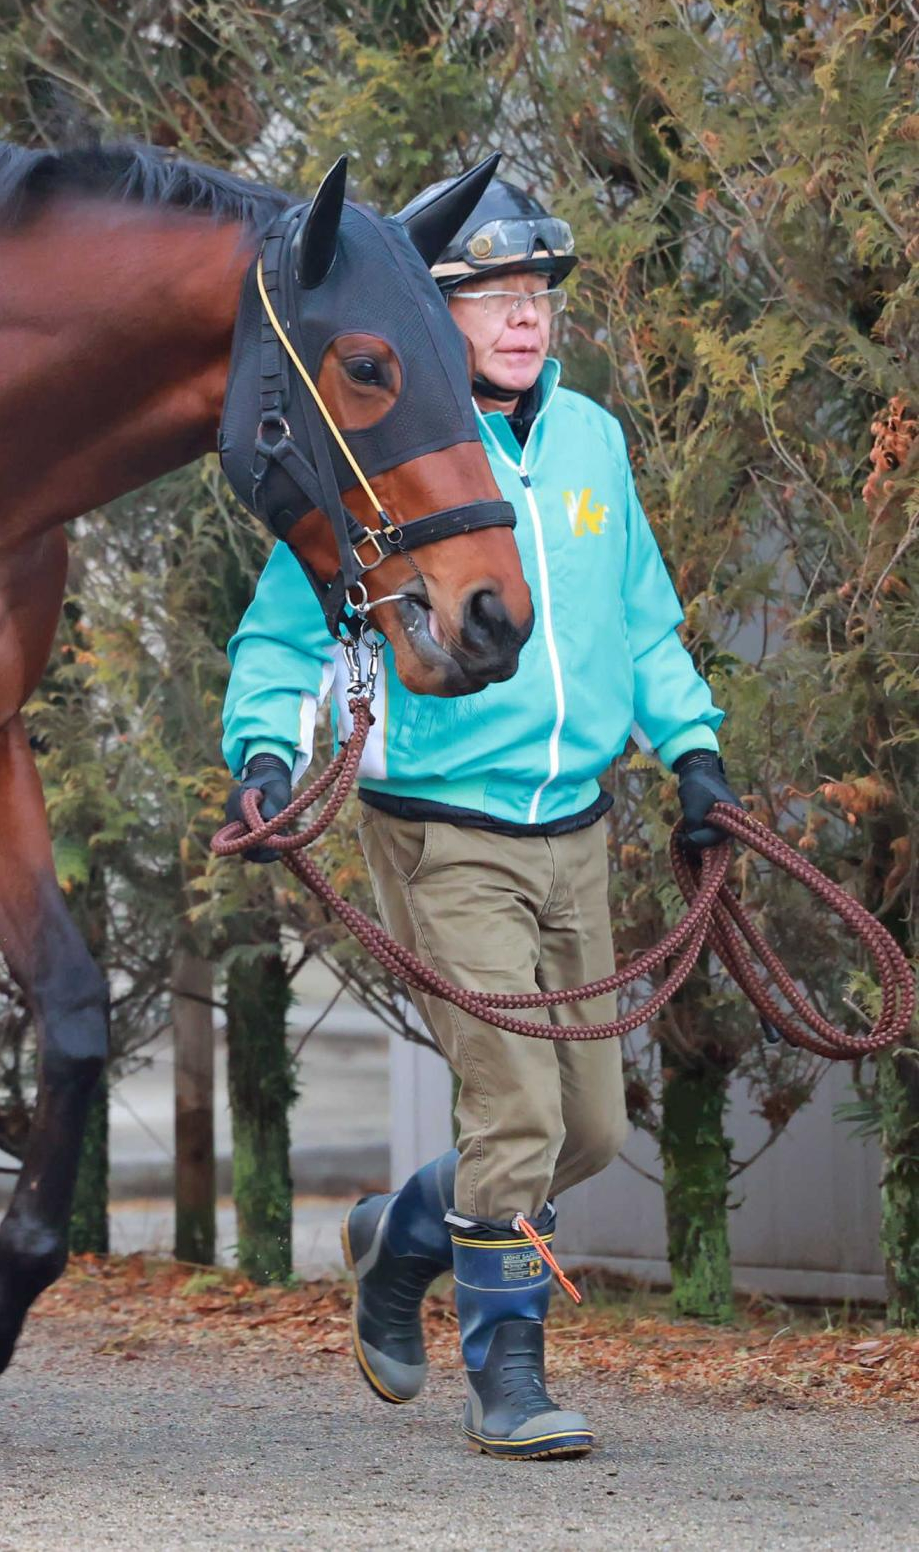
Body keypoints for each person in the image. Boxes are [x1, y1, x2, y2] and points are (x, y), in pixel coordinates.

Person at [219, 175, 740, 1460]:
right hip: (443, 825)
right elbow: (277, 638)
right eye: (492, 295)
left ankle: (401, 1239)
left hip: (577, 822)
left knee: (589, 1128)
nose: (522, 319)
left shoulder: (593, 445)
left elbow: (642, 617)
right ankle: (506, 1374)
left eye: (537, 294)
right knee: (514, 1113)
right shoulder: (382, 457)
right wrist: (265, 755)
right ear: (433, 314)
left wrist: (694, 754)